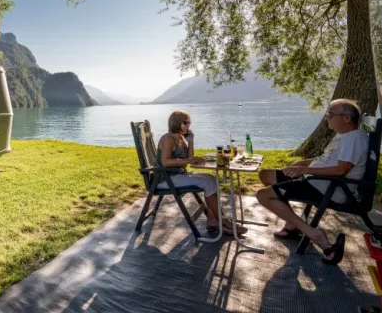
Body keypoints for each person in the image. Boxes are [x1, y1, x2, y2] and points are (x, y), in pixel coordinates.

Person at [256, 98, 369, 265]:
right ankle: (292, 223)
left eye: (331, 114)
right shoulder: (344, 135)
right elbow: (326, 160)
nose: (327, 118)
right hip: (316, 180)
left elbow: (340, 170)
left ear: (346, 118)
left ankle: (313, 234)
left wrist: (303, 170)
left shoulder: (354, 139)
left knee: (263, 195)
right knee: (266, 175)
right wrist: (303, 164)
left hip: (327, 187)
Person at [158, 110, 247, 235]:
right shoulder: (167, 139)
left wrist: (191, 141)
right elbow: (165, 162)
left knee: (212, 178)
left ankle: (213, 220)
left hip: (179, 174)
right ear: (176, 123)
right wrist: (189, 160)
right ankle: (224, 222)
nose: (188, 125)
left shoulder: (180, 139)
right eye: (185, 123)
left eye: (189, 122)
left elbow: (190, 158)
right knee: (207, 182)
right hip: (167, 178)